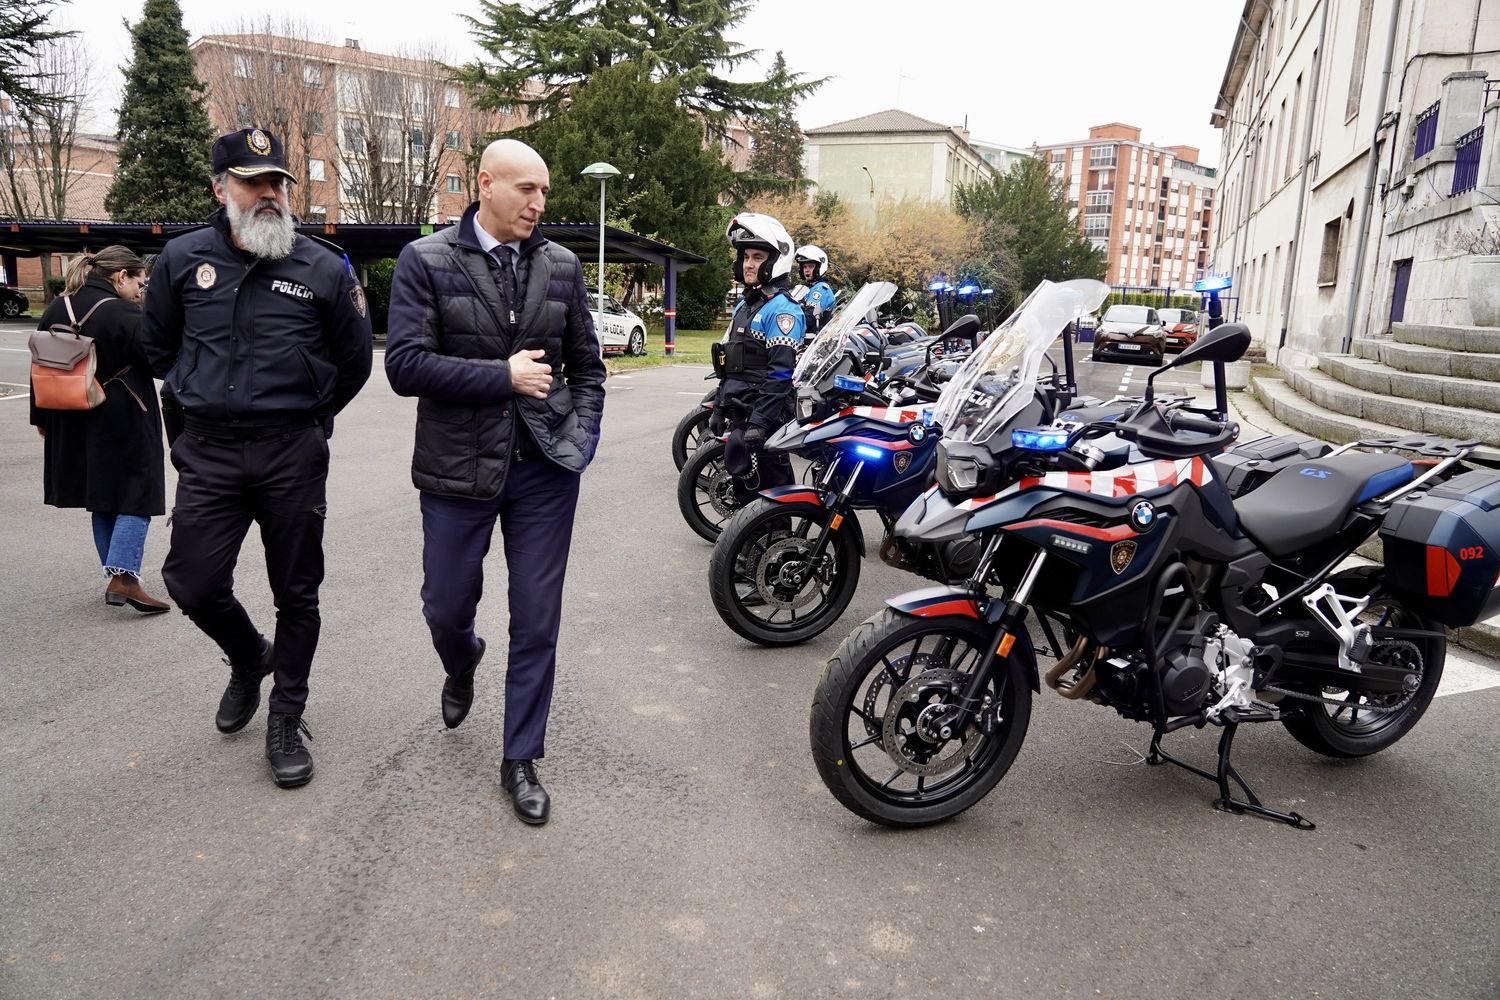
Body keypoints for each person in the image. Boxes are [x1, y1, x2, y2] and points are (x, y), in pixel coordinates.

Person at [140, 127, 373, 789]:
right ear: (220, 189)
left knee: (297, 593)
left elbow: (353, 363)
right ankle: (249, 658)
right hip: (210, 453)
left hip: (290, 454)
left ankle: (285, 715)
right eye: (252, 181)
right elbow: (160, 350)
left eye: (277, 182)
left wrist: (308, 415)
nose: (269, 193)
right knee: (191, 581)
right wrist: (195, 408)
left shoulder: (324, 266)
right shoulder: (183, 260)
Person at [384, 138, 606, 826]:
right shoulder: (426, 261)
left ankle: (520, 757)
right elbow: (405, 367)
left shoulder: (562, 266)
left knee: (537, 619)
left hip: (544, 470)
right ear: (484, 184)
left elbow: (588, 369)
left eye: (545, 192)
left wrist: (581, 441)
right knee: (444, 607)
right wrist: (500, 377)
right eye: (526, 190)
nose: (539, 204)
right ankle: (462, 658)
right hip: (456, 468)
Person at [30, 245, 169, 614]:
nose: (141, 290)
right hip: (123, 413)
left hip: (69, 415)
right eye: (139, 281)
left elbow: (40, 363)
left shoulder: (59, 307)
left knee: (102, 493)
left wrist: (41, 417)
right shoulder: (123, 311)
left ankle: (120, 575)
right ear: (121, 276)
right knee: (138, 490)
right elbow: (157, 361)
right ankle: (123, 578)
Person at [711, 213, 806, 491]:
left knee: (773, 493)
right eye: (746, 257)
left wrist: (761, 423)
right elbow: (730, 364)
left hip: (765, 418)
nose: (749, 264)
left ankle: (779, 535)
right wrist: (719, 407)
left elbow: (780, 375)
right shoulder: (745, 306)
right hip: (741, 414)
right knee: (745, 491)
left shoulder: (782, 310)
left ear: (775, 261)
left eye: (757, 257)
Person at [793, 244, 838, 332]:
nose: (806, 270)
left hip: (813, 340)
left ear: (818, 268)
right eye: (804, 267)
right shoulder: (809, 288)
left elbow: (808, 319)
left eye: (810, 266)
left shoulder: (820, 289)